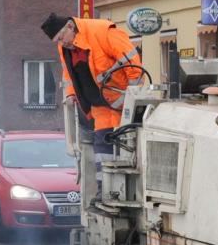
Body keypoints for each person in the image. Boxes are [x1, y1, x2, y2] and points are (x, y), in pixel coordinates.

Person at [41, 13, 142, 186]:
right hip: (99, 105)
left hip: (124, 105)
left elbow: (133, 65)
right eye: (57, 40)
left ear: (70, 27)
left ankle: (119, 189)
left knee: (126, 148)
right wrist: (71, 94)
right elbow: (68, 74)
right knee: (102, 145)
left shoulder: (103, 32)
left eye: (61, 37)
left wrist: (134, 96)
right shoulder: (65, 46)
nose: (61, 43)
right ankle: (105, 190)